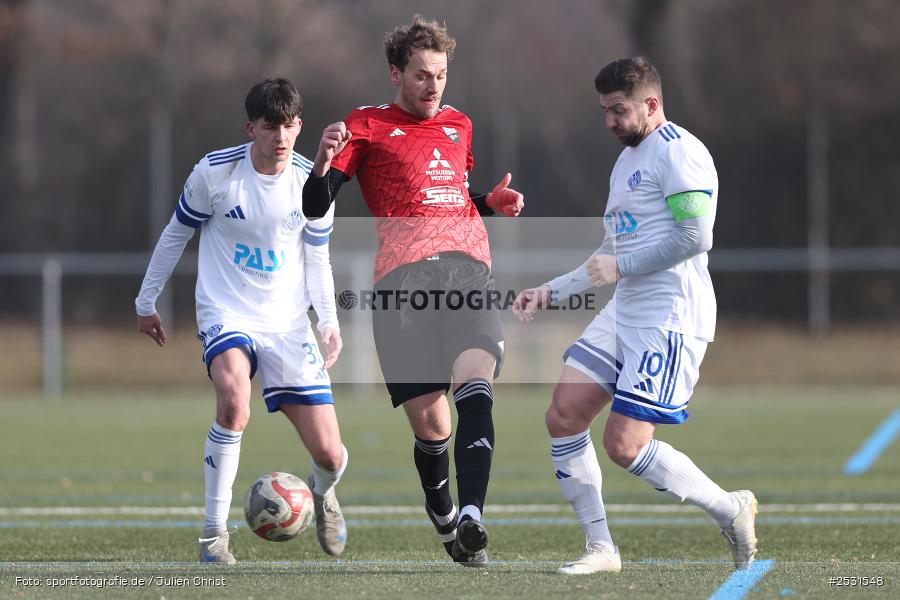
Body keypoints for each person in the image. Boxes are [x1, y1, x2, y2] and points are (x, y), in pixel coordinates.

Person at [513, 57, 757, 575]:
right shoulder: (626, 161)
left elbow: (696, 236)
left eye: (618, 111)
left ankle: (729, 507)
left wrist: (620, 266)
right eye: (603, 111)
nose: (609, 123)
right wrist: (551, 291)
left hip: (669, 316)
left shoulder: (680, 152)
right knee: (563, 414)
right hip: (626, 311)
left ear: (651, 104)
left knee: (623, 446)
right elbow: (611, 249)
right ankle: (601, 549)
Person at [303, 16, 523, 567]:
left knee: (476, 385)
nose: (434, 86)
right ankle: (445, 513)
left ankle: (472, 514)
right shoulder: (367, 125)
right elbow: (314, 204)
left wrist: (487, 204)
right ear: (396, 74)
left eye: (442, 75)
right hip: (402, 284)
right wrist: (323, 164)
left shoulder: (459, 125)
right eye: (423, 75)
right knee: (433, 426)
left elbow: (448, 191)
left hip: (468, 272)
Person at [135, 78, 349, 564]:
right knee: (234, 404)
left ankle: (325, 491)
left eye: (289, 126)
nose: (281, 137)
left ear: (299, 126)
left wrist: (329, 322)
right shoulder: (214, 173)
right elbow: (174, 236)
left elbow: (318, 258)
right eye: (270, 127)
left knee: (331, 455)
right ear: (250, 127)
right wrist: (146, 301)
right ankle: (214, 535)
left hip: (289, 324)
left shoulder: (311, 183)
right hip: (226, 311)